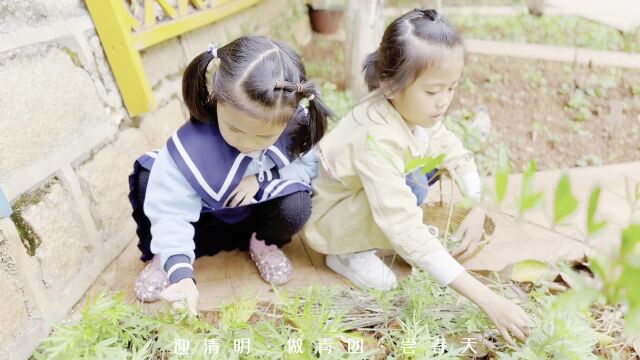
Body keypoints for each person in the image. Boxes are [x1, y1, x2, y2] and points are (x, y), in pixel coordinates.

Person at [301, 9, 531, 346]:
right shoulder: (375, 137)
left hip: (356, 196)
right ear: (390, 85)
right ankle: (347, 253)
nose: (444, 102)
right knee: (409, 207)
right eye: (433, 91)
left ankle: (373, 243)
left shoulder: (410, 106)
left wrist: (476, 205)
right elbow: (404, 226)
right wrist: (489, 301)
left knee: (420, 179)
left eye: (451, 88)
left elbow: (454, 150)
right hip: (329, 218)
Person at [128, 35, 331, 314]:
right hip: (201, 220)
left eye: (264, 136)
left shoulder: (292, 125)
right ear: (216, 99)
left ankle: (263, 243)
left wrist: (261, 178)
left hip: (249, 215)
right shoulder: (194, 145)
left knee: (296, 201)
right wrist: (182, 278)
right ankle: (168, 258)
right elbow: (171, 209)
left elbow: (306, 166)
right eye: (235, 130)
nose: (248, 144)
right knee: (149, 179)